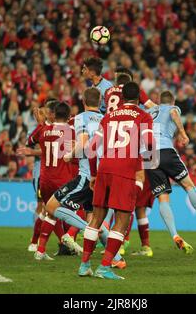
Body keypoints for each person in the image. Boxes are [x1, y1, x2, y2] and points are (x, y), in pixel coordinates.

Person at [78, 82, 154, 280]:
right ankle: (104, 267)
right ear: (138, 98)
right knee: (122, 219)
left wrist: (94, 174)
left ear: (121, 98)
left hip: (105, 169)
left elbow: (91, 148)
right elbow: (150, 145)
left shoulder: (108, 116)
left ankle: (84, 265)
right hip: (125, 171)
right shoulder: (144, 116)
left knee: (96, 218)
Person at [42, 87, 125, 268]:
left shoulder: (81, 118)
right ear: (101, 101)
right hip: (104, 174)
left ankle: (89, 232)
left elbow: (84, 143)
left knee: (51, 206)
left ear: (84, 101)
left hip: (87, 175)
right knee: (94, 218)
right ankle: (117, 259)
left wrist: (70, 154)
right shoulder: (107, 119)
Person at [146, 90, 196, 248]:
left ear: (159, 100)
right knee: (188, 185)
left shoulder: (149, 111)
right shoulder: (172, 108)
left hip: (148, 155)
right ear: (172, 100)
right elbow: (173, 113)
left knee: (163, 197)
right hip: (165, 149)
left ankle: (174, 235)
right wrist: (183, 133)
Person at [17, 102, 75, 261]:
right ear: (69, 116)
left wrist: (42, 124)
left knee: (50, 213)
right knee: (78, 210)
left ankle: (40, 249)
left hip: (45, 180)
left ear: (54, 115)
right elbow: (75, 152)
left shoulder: (44, 129)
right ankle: (69, 242)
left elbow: (29, 141)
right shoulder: (71, 131)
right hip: (62, 180)